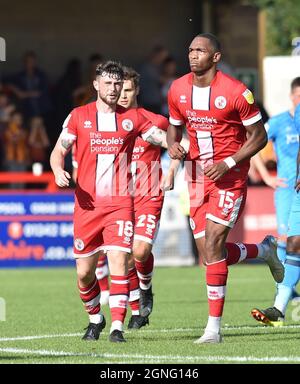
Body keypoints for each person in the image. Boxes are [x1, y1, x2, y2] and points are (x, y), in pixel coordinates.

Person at [166, 32, 284, 344]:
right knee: (209, 254)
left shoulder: (235, 92)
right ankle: (263, 250)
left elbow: (258, 137)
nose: (193, 55)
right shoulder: (178, 89)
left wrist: (229, 163)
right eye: (190, 50)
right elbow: (173, 126)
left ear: (215, 57)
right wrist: (173, 145)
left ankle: (213, 330)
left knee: (216, 241)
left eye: (200, 51)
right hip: (195, 176)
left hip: (229, 177)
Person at [50, 60, 169, 343]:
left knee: (119, 261)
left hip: (119, 204)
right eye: (109, 84)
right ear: (96, 85)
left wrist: (190, 150)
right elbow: (58, 150)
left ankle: (117, 327)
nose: (114, 89)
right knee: (84, 273)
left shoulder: (133, 119)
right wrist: (57, 169)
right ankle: (96, 318)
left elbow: (164, 139)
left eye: (118, 84)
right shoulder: (78, 116)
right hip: (87, 206)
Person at [250, 78, 300, 326]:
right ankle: (280, 304)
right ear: (292, 95)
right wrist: (267, 178)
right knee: (290, 242)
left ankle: (286, 295)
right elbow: (255, 142)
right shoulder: (282, 121)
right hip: (289, 191)